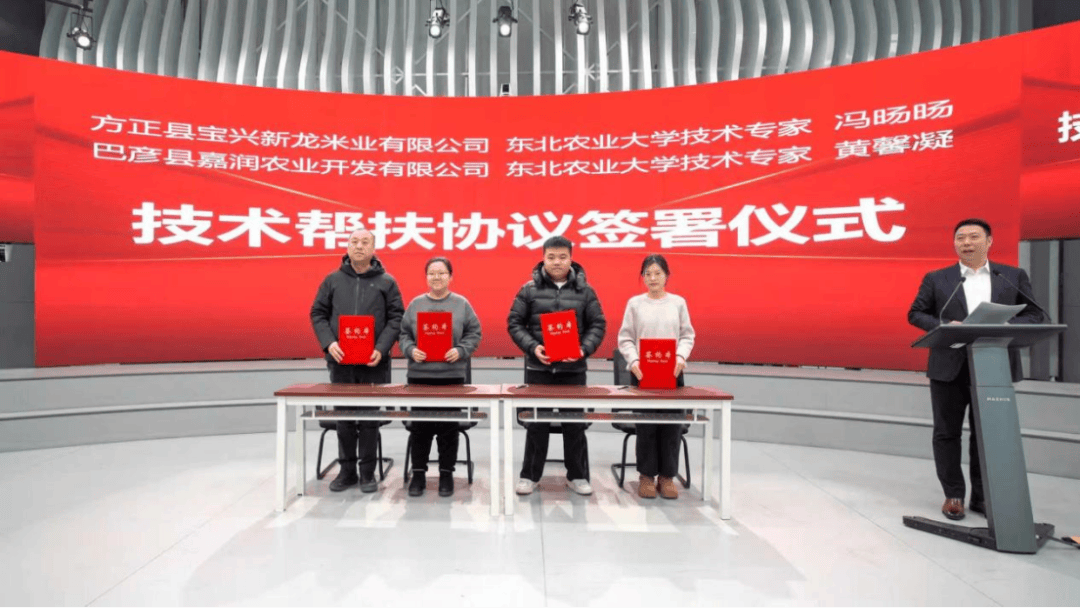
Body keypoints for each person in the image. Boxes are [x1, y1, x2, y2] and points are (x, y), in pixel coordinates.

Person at [907, 218, 1044, 521]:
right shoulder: (938, 278)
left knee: (986, 435)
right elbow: (916, 313)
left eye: (973, 237)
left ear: (989, 241)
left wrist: (1007, 324)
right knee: (947, 433)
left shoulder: (1011, 276)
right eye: (960, 238)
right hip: (949, 366)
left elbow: (1036, 314)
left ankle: (982, 497)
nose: (966, 243)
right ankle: (953, 494)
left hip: (994, 364)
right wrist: (947, 324)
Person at [507, 235, 606, 496]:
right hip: (539, 369)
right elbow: (514, 323)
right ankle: (529, 476)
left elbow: (598, 324)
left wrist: (583, 349)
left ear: (571, 259)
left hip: (573, 371)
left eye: (562, 257)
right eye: (551, 257)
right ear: (543, 258)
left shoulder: (585, 291)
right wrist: (533, 347)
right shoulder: (529, 290)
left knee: (574, 425)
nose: (557, 262)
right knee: (536, 425)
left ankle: (578, 475)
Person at [310, 228, 404, 493]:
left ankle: (367, 473)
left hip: (374, 362)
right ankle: (347, 471)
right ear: (347, 246)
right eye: (354, 241)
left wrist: (382, 348)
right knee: (345, 417)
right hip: (341, 362)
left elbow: (397, 317)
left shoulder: (387, 282)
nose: (359, 246)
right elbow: (318, 313)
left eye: (365, 242)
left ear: (374, 248)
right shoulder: (332, 280)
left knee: (369, 419)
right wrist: (330, 342)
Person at [398, 257, 482, 498]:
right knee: (420, 429)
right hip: (420, 377)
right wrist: (410, 349)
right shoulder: (416, 304)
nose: (436, 277)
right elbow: (403, 334)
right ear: (426, 277)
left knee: (448, 429)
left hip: (451, 377)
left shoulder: (461, 304)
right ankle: (418, 474)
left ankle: (446, 474)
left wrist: (461, 350)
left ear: (450, 277)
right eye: (432, 273)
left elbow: (475, 333)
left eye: (442, 273)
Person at [617, 254, 695, 499]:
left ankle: (667, 477)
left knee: (672, 426)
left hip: (672, 373)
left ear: (666, 276)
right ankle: (647, 476)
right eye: (647, 274)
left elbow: (687, 335)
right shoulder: (635, 304)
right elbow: (625, 338)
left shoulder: (678, 303)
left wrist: (680, 357)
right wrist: (634, 361)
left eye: (657, 273)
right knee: (646, 425)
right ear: (642, 277)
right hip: (643, 373)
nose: (652, 278)